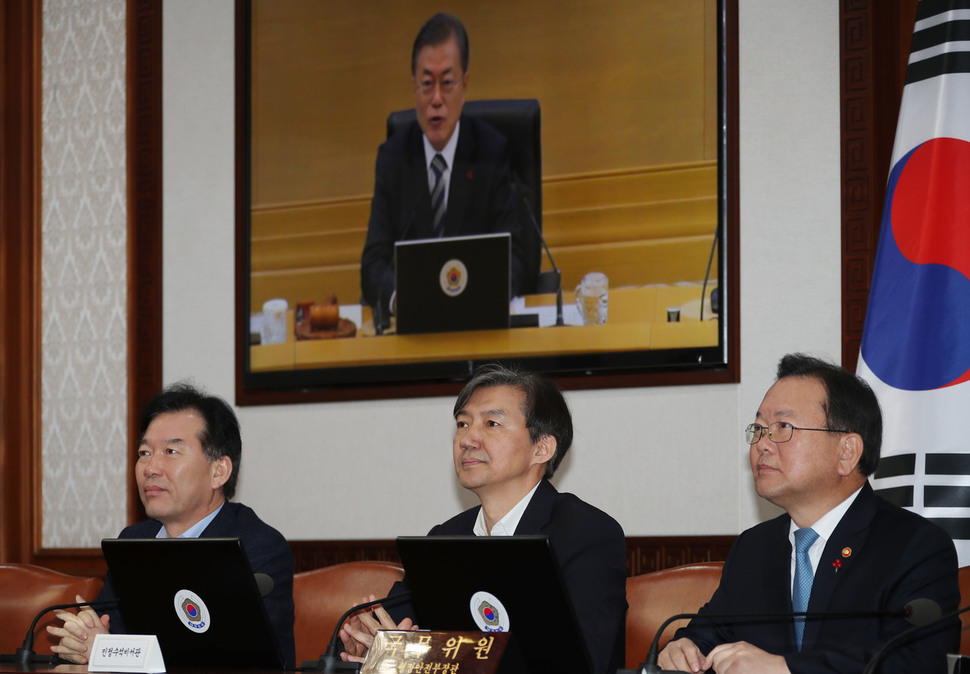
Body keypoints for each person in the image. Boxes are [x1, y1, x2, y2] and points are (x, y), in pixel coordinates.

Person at [659, 353, 960, 674]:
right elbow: (706, 636)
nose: (762, 443)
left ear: (847, 452)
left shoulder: (914, 546)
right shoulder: (754, 548)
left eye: (783, 427)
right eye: (759, 428)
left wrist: (787, 669)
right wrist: (683, 648)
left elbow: (918, 663)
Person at [340, 364, 627, 674]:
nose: (467, 439)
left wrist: (415, 654)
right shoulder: (445, 538)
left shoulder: (586, 535)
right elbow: (390, 628)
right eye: (463, 424)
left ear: (542, 447)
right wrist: (364, 641)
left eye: (491, 423)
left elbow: (578, 661)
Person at [47, 382, 296, 668]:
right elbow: (104, 633)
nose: (151, 468)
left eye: (171, 452)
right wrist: (83, 641)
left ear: (219, 471)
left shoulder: (258, 547)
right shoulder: (134, 541)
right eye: (145, 453)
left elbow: (231, 657)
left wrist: (110, 650)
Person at [359, 13, 528, 322]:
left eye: (447, 83)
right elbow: (373, 264)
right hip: (412, 333)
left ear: (464, 84)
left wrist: (478, 296)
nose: (436, 99)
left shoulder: (491, 153)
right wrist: (403, 302)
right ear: (414, 88)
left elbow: (516, 256)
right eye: (426, 84)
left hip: (478, 328)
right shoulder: (392, 159)